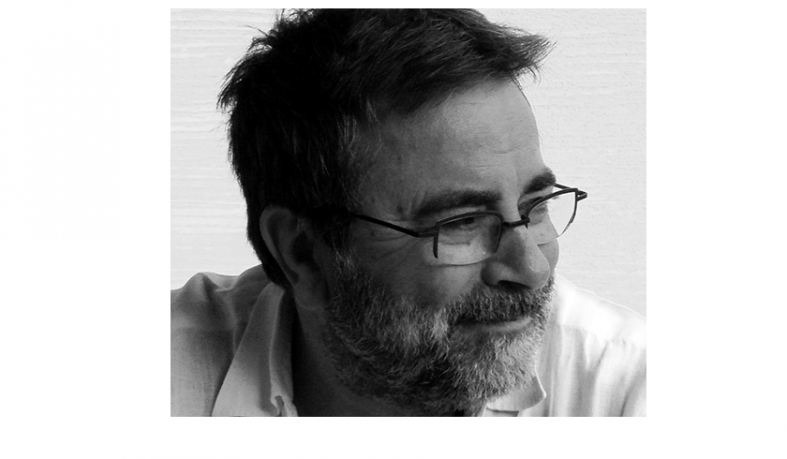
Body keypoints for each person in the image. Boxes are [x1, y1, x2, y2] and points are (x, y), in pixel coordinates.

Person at [171, 9, 646, 417]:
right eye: (462, 222)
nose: (533, 268)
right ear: (304, 254)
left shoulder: (630, 388)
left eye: (535, 206)